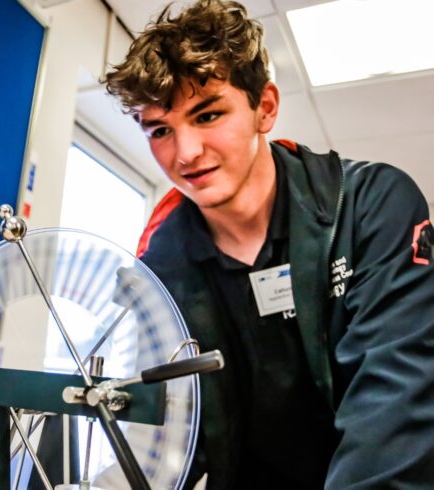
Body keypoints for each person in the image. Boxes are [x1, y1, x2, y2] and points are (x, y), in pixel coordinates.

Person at [105, 0, 434, 488]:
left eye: (208, 114)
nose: (186, 153)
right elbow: (169, 435)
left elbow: (397, 405)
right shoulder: (160, 267)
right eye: (160, 130)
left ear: (265, 107)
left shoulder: (371, 207)